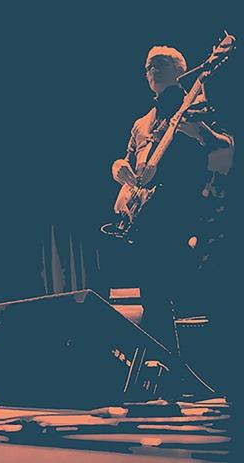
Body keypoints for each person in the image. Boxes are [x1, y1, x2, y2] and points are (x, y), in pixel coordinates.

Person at [110, 45, 234, 384]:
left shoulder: (195, 106)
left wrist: (201, 133)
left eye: (161, 63)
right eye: (149, 64)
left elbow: (226, 148)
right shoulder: (141, 124)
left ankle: (213, 374)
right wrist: (119, 173)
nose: (153, 68)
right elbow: (130, 167)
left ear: (182, 70)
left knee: (196, 296)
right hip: (149, 221)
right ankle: (166, 375)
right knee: (154, 301)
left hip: (189, 216)